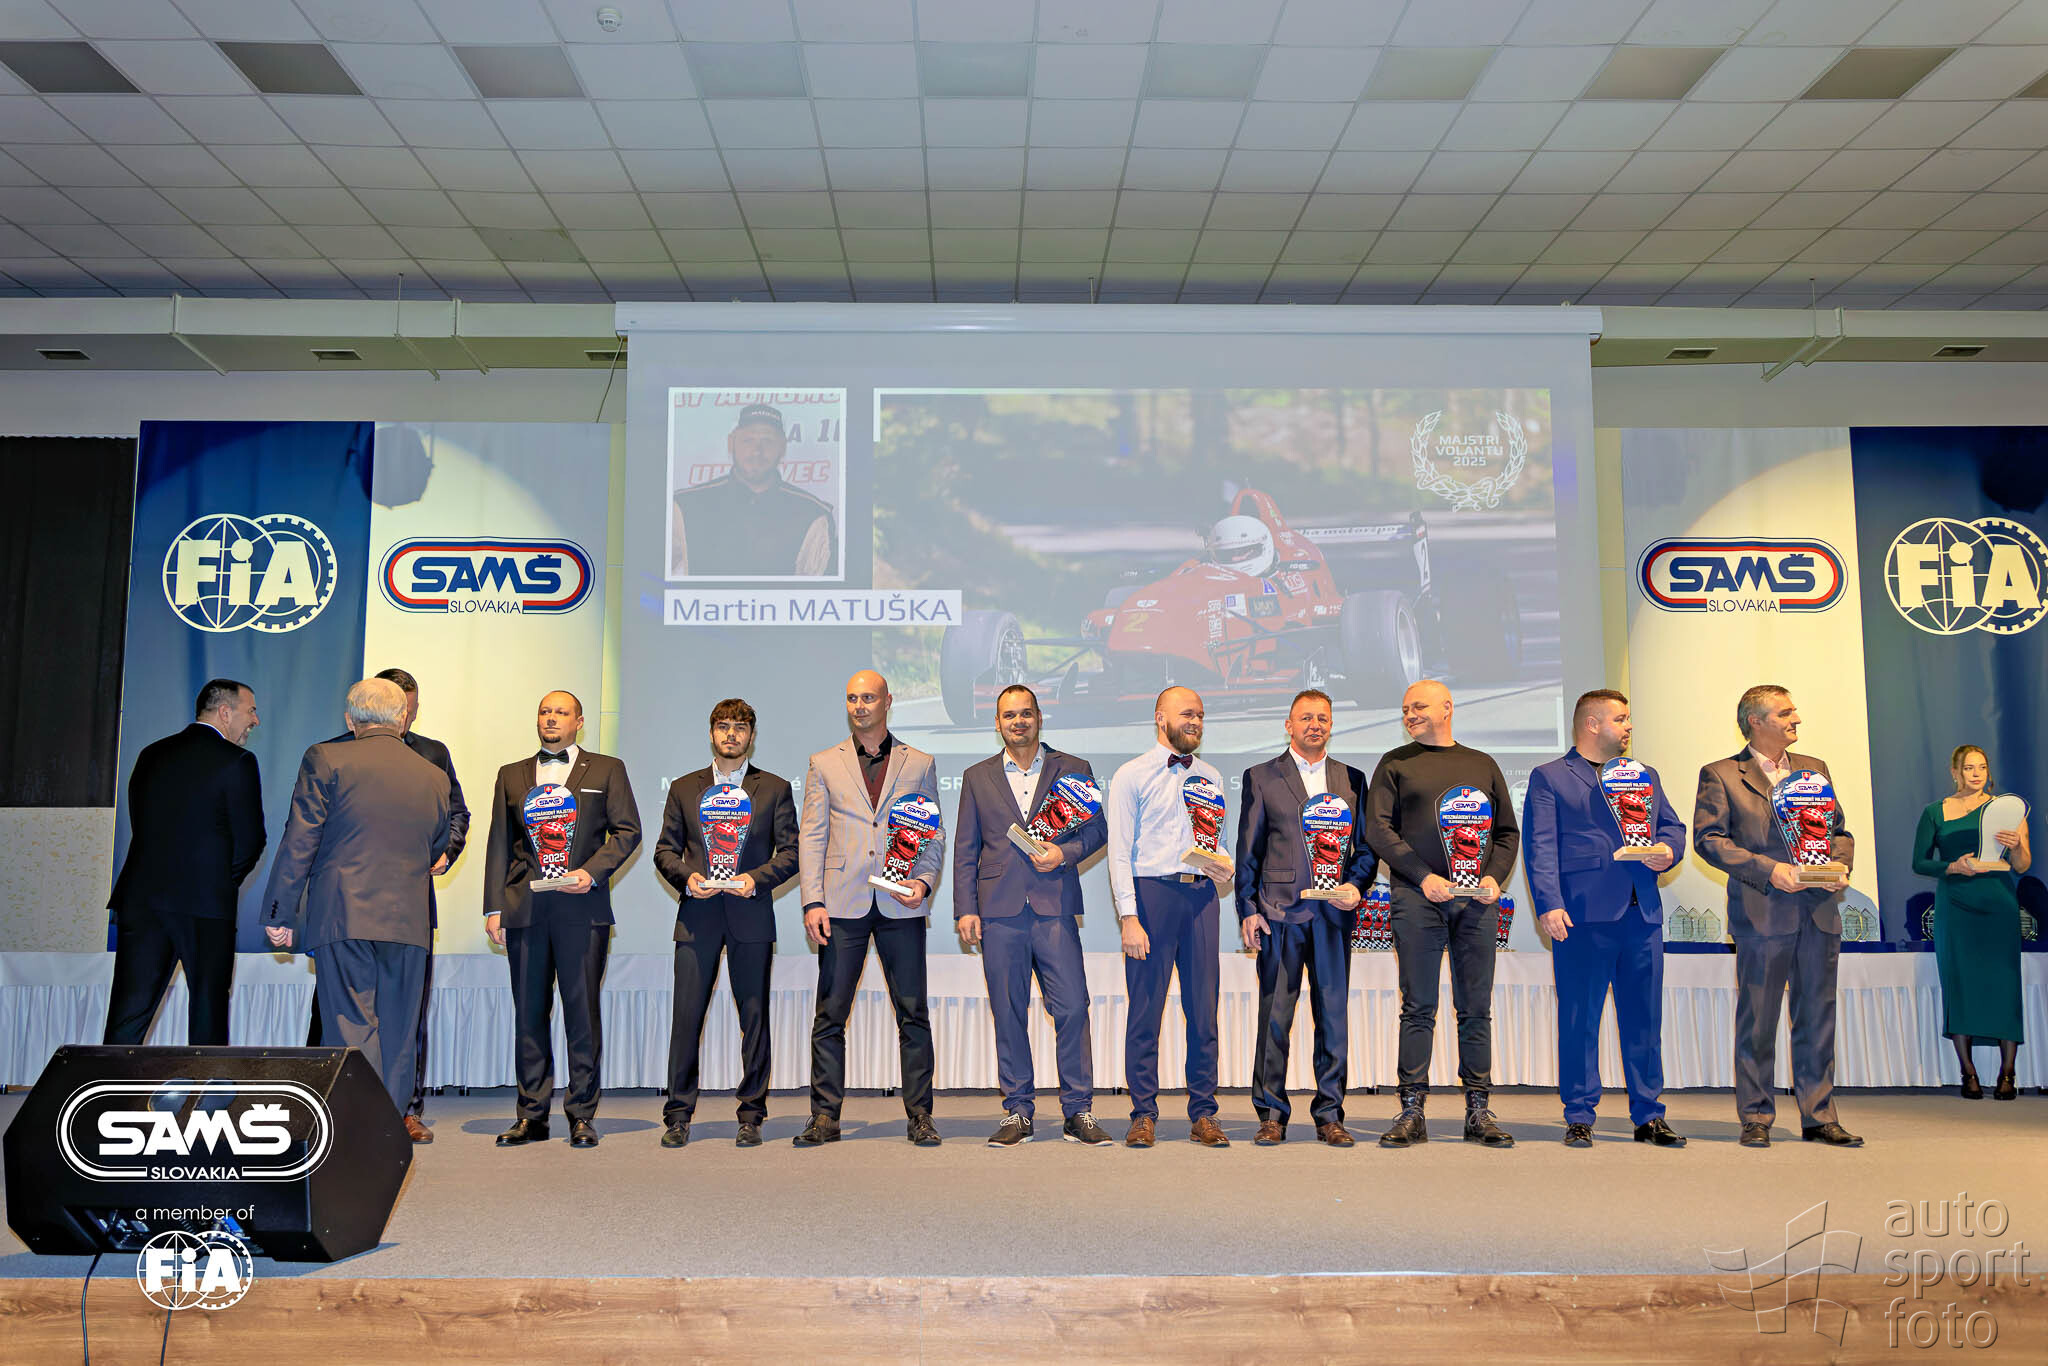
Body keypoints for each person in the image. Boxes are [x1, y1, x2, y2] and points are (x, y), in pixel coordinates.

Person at [259, 679, 450, 1114]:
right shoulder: (434, 775)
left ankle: (359, 1126)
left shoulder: (325, 758)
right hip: (409, 921)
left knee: (350, 1027)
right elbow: (437, 844)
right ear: (402, 718)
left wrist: (280, 911)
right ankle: (388, 1127)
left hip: (343, 915)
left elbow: (300, 838)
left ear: (350, 720)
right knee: (400, 1033)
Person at [1693, 685, 1861, 1148]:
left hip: (1819, 910)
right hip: (1762, 911)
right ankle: (1755, 1116)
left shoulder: (1815, 768)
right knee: (1758, 1020)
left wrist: (1839, 864)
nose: (1796, 719)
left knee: (1818, 1016)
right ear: (1756, 721)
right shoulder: (1721, 774)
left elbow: (1838, 831)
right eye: (1786, 713)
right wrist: (1771, 870)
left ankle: (1819, 1115)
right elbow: (1709, 841)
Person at [306, 667, 467, 1144]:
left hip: (406, 907)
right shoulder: (332, 753)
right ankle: (331, 1106)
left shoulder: (433, 754)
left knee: (404, 1017)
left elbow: (456, 814)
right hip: (345, 909)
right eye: (403, 710)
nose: (407, 718)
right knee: (336, 1015)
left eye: (412, 710)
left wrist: (446, 850)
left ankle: (405, 1112)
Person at [1522, 689, 1687, 1150]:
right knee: (1579, 1020)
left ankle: (1649, 1115)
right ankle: (1579, 1114)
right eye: (1621, 718)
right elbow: (1540, 846)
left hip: (1642, 913)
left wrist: (1668, 850)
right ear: (1592, 724)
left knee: (1644, 1021)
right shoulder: (1550, 776)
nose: (1629, 726)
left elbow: (1672, 827)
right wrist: (1549, 904)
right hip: (1581, 916)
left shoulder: (1644, 775)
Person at [1362, 679, 1520, 1150]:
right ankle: (1412, 1110)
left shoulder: (1482, 764)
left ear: (1447, 708)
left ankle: (1478, 1110)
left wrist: (1494, 876)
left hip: (1477, 902)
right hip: (1417, 898)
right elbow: (1377, 829)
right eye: (1405, 709)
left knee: (1475, 1008)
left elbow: (1507, 833)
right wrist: (1421, 875)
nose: (1410, 714)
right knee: (1418, 1007)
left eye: (1419, 706)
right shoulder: (1394, 763)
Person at [952, 684, 1111, 1148]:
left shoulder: (1075, 769)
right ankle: (1018, 1110)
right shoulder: (977, 776)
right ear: (997, 723)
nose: (1018, 722)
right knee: (1008, 1012)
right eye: (1009, 715)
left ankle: (1078, 1111)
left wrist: (1064, 853)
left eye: (1025, 713)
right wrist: (965, 908)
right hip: (998, 911)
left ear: (1039, 717)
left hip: (1053, 905)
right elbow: (965, 849)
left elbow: (1097, 830)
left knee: (1073, 1008)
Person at [483, 690, 642, 1150]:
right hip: (525, 909)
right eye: (545, 711)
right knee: (529, 1016)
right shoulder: (511, 774)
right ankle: (531, 1115)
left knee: (582, 1015)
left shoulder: (607, 769)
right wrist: (494, 907)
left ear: (579, 721)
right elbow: (499, 842)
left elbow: (628, 831)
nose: (551, 718)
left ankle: (581, 1115)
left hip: (582, 909)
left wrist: (590, 873)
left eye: (561, 712)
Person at [795, 670, 946, 1147]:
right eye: (852, 698)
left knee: (913, 1014)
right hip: (842, 903)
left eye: (868, 698)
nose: (859, 706)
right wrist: (813, 900)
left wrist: (923, 881)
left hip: (901, 902)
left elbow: (934, 833)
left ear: (887, 701)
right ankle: (825, 1116)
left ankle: (920, 1116)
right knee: (830, 1016)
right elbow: (812, 836)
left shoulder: (920, 762)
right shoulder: (824, 762)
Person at [651, 698, 798, 1148]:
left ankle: (751, 1114)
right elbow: (664, 851)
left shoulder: (774, 788)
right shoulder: (684, 788)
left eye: (739, 726)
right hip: (697, 917)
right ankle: (678, 1115)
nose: (731, 734)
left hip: (750, 914)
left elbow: (792, 852)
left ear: (752, 735)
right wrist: (687, 878)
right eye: (722, 726)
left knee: (754, 1019)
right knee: (686, 1019)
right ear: (711, 733)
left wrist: (755, 880)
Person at [1235, 689, 1376, 1147]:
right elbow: (1248, 849)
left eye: (1322, 718)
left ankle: (1330, 1114)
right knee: (1275, 1020)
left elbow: (1366, 848)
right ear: (1289, 725)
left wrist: (1356, 885)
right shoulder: (1261, 776)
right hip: (1279, 913)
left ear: (1331, 725)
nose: (1315, 725)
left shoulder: (1353, 779)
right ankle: (1271, 1114)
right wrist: (1248, 909)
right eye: (1306, 718)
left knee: (1332, 1018)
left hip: (1334, 916)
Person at [104, 678, 265, 1047]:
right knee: (208, 1014)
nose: (256, 720)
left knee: (128, 1014)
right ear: (225, 712)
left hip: (142, 899)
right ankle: (207, 1084)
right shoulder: (238, 761)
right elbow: (251, 841)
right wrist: (218, 881)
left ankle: (108, 1082)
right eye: (251, 710)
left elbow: (141, 824)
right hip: (205, 906)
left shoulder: (151, 754)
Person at [1106, 686, 1233, 1149]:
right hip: (1151, 897)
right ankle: (1143, 1113)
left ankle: (1204, 1113)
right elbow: (1119, 852)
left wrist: (1225, 865)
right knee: (1145, 1011)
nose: (1195, 721)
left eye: (1200, 715)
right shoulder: (1131, 774)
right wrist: (1128, 916)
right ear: (1161, 718)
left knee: (1203, 1011)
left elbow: (1216, 842)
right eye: (1186, 714)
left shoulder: (1212, 776)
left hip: (1201, 898)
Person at [1914, 744, 2030, 1101]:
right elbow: (1920, 862)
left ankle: (2007, 1073)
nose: (1976, 774)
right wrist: (1952, 866)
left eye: (1981, 767)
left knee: (2004, 985)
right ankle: (1969, 1073)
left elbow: (2023, 865)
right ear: (1955, 772)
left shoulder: (2006, 809)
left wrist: (2016, 846)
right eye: (1968, 768)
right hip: (1955, 905)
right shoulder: (1935, 812)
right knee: (1960, 984)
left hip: (1998, 904)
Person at [670, 402, 838, 578]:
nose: (757, 451)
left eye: (768, 441)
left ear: (782, 448)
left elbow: (824, 591)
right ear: (731, 444)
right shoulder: (686, 506)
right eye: (748, 440)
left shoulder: (812, 515)